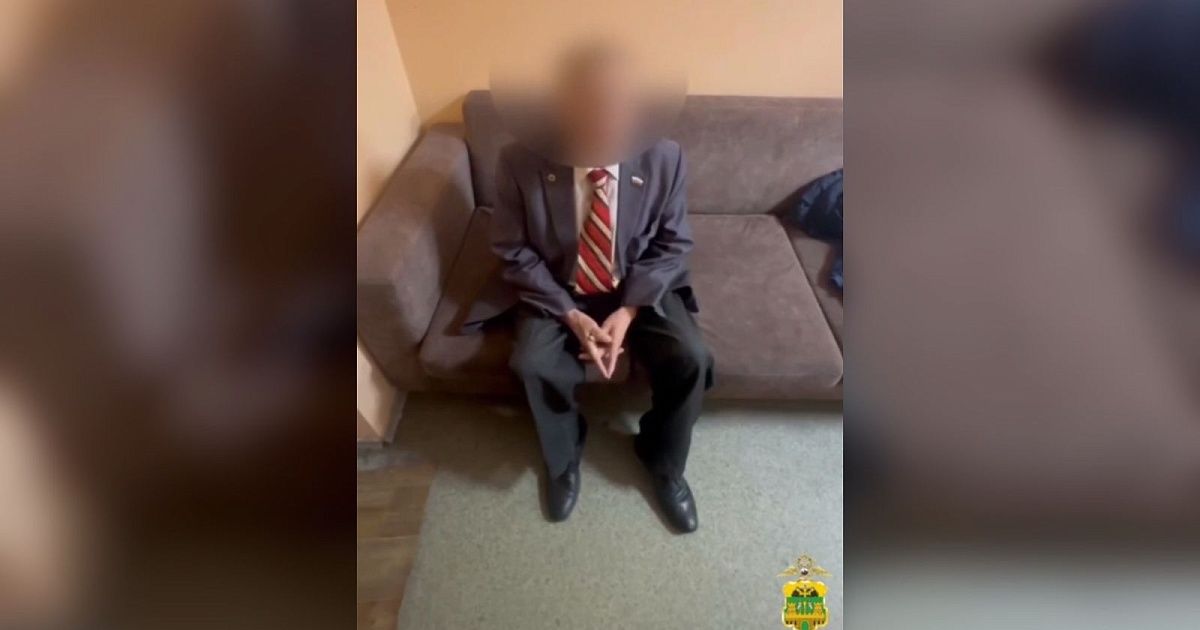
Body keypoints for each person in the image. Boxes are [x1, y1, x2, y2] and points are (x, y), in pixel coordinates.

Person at [464, 44, 713, 532]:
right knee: (532, 363)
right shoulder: (519, 160)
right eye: (591, 106)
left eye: (620, 106)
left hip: (636, 281)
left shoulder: (665, 157)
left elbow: (673, 243)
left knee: (692, 357)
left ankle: (663, 461)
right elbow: (512, 248)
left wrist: (630, 311)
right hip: (557, 284)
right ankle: (564, 457)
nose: (607, 122)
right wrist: (571, 315)